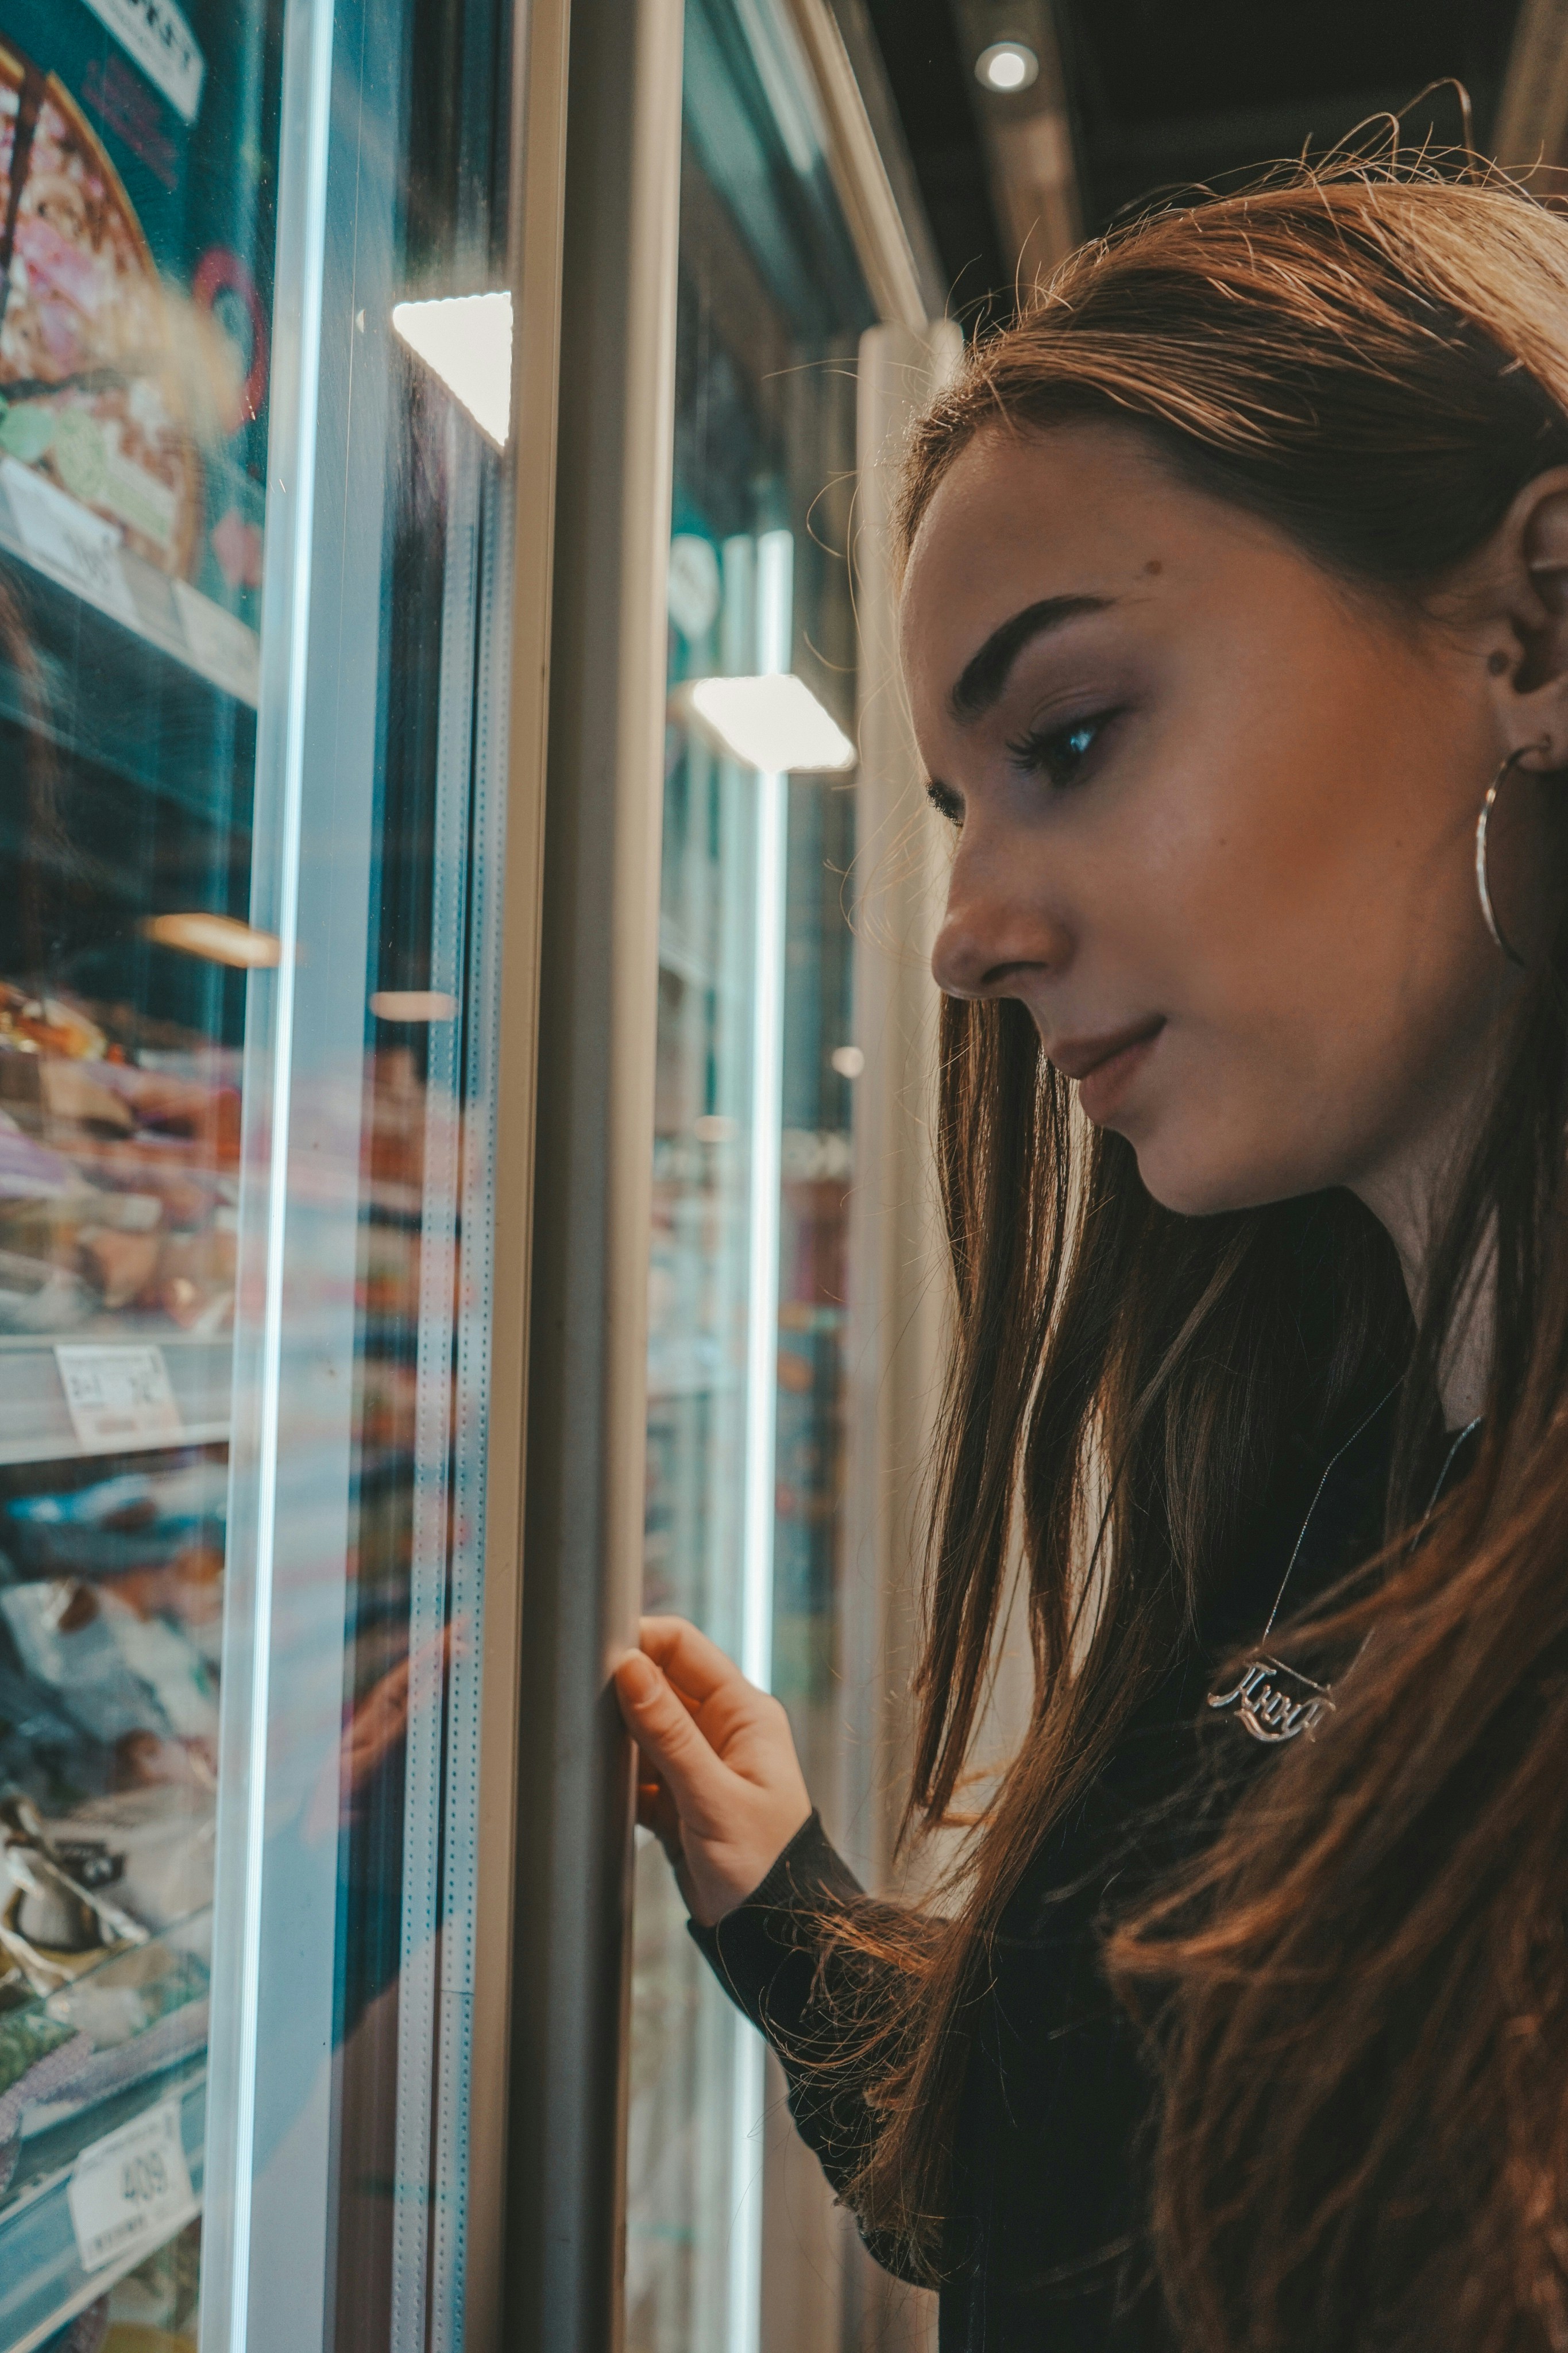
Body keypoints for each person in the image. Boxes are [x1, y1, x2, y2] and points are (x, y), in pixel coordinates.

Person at [615, 160, 1568, 2352]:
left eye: (1066, 741)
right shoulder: (1339, 1451)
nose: (965, 935)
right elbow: (1123, 2177)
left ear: (1530, 637)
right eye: (964, 806)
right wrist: (795, 1916)